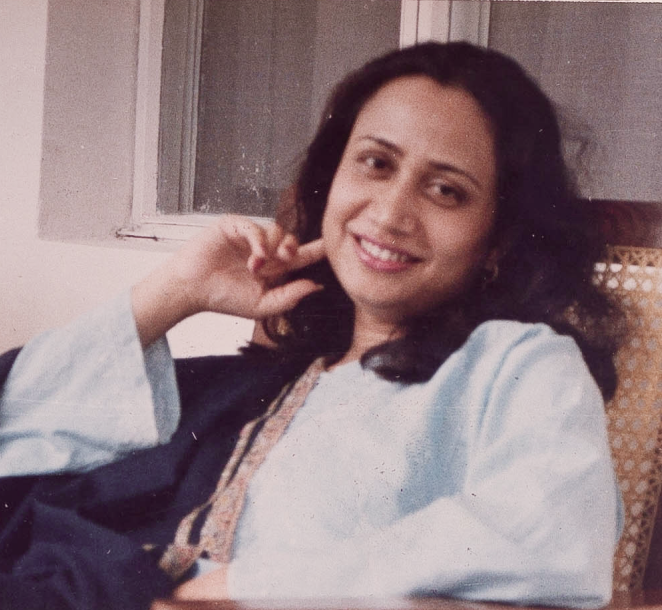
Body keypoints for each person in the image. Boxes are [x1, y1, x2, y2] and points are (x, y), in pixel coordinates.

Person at [0, 42, 623, 610]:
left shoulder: (517, 363)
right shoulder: (260, 386)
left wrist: (247, 587)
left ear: (498, 239)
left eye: (445, 191)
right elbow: (15, 431)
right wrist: (176, 292)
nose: (390, 212)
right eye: (376, 164)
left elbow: (552, 534)